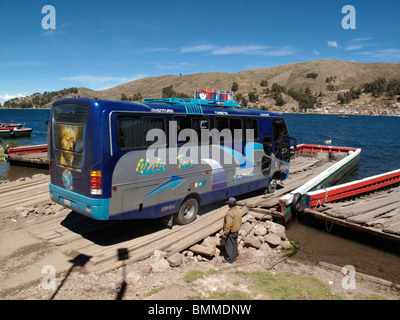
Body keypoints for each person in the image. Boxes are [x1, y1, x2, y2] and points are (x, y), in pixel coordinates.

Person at [222, 197, 242, 263]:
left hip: (231, 232)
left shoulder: (230, 213)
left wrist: (225, 233)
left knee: (229, 246)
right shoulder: (238, 210)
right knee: (234, 245)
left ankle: (229, 259)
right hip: (236, 230)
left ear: (229, 205)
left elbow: (228, 225)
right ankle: (234, 257)